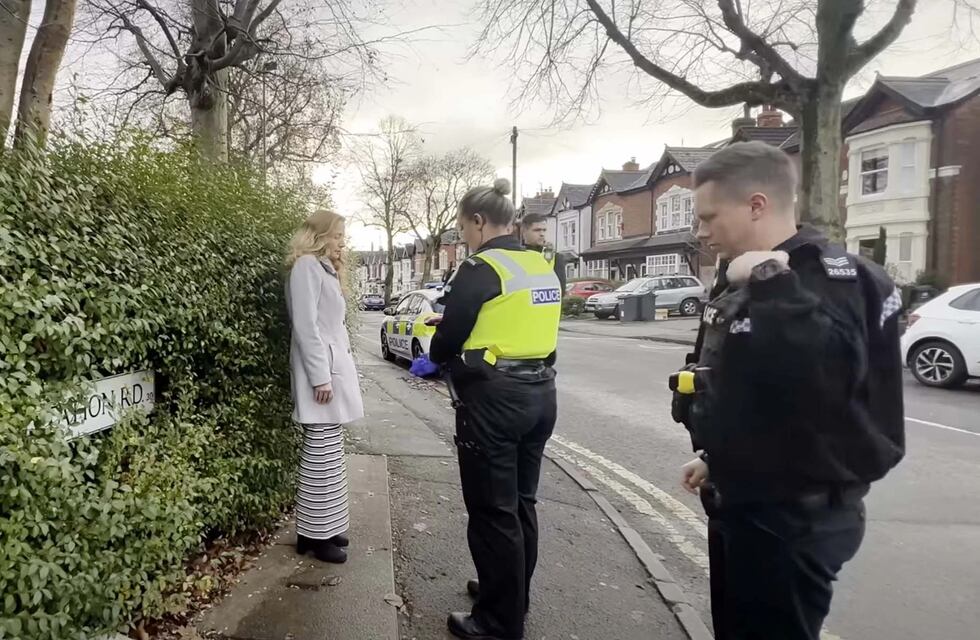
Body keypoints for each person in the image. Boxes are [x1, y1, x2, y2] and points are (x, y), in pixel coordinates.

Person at [670, 141, 905, 640]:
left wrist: (770, 282)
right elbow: (767, 389)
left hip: (795, 516)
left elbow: (829, 379)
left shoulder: (836, 279)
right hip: (744, 498)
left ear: (757, 204)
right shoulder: (744, 274)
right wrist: (719, 455)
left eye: (710, 217)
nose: (701, 232)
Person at [428, 178, 561, 640]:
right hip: (541, 392)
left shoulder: (481, 267)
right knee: (523, 502)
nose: (464, 235)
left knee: (491, 509)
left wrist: (440, 353)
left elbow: (450, 335)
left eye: (464, 226)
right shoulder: (542, 266)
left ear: (480, 222)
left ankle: (497, 622)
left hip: (493, 399)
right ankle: (510, 594)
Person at [284, 210, 364, 565]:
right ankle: (313, 534)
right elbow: (306, 327)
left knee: (329, 453)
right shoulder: (305, 268)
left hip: (331, 371)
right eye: (336, 234)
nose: (341, 241)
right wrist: (320, 377)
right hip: (322, 374)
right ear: (318, 235)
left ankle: (324, 527)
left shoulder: (323, 269)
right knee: (320, 453)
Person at [519, 212, 566, 293]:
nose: (542, 234)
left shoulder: (554, 257)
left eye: (544, 230)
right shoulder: (516, 255)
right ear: (524, 231)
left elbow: (561, 291)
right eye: (537, 230)